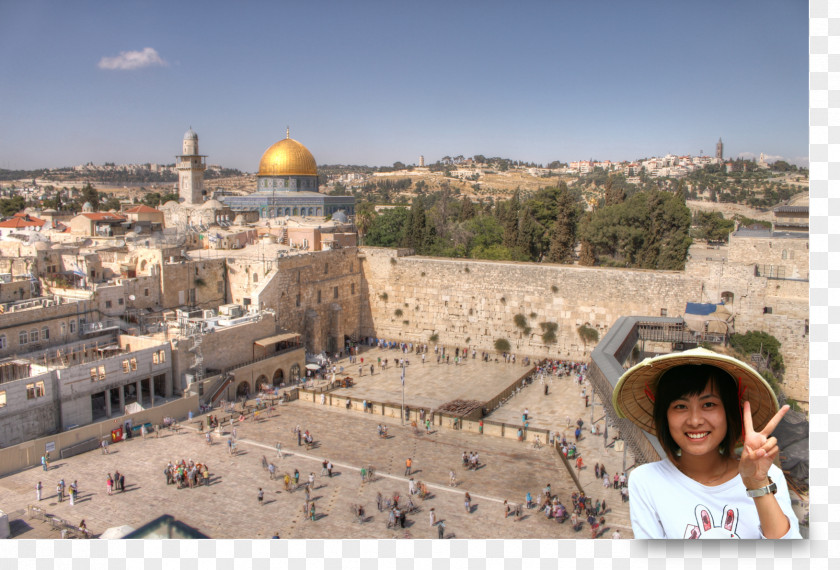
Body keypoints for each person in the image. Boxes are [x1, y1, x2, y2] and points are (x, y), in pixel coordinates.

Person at [612, 347, 800, 539]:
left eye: (708, 404)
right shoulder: (646, 481)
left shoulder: (768, 477)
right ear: (665, 416)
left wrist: (757, 484)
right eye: (680, 406)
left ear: (729, 412)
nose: (695, 420)